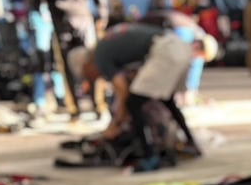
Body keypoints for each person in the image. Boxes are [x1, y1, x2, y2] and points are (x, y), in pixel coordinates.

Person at [70, 21, 213, 166]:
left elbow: (123, 90)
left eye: (87, 75)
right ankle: (191, 143)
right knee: (167, 100)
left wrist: (115, 124)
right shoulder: (105, 44)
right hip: (180, 47)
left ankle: (149, 156)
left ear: (86, 65)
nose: (94, 78)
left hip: (165, 50)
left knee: (133, 103)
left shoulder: (100, 57)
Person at [17, 0, 65, 115]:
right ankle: (39, 98)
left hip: (54, 11)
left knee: (57, 57)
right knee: (41, 56)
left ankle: (61, 97)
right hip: (38, 13)